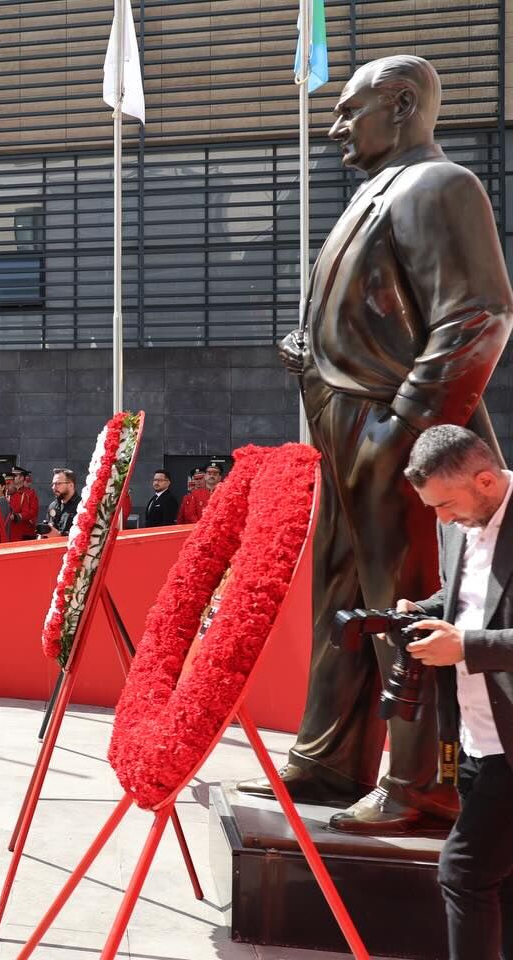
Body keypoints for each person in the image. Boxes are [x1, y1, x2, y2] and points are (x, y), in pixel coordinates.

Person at [240, 56, 513, 834]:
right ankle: (330, 757)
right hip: (350, 428)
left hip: (397, 434)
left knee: (401, 607)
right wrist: (316, 350)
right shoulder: (376, 193)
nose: (334, 128)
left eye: (348, 111)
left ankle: (417, 781)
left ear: (400, 105)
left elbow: (480, 315)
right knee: (342, 598)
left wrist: (405, 427)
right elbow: (378, 316)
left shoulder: (440, 185)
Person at [394, 427, 513, 958]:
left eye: (445, 505)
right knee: (495, 879)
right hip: (470, 739)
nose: (440, 519)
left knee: (462, 872)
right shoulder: (457, 522)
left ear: (485, 480)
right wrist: (422, 612)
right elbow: (464, 596)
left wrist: (464, 645)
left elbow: (474, 630)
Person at [41, 468, 80, 537]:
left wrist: (59, 535)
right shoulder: (52, 506)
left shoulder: (81, 506)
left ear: (71, 485)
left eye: (58, 484)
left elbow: (83, 535)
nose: (53, 487)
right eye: (53, 484)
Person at [8, 467, 40, 540]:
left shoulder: (30, 493)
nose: (13, 477)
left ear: (22, 478)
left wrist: (18, 516)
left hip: (25, 531)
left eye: (15, 475)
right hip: (10, 530)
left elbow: (33, 511)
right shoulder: (8, 492)